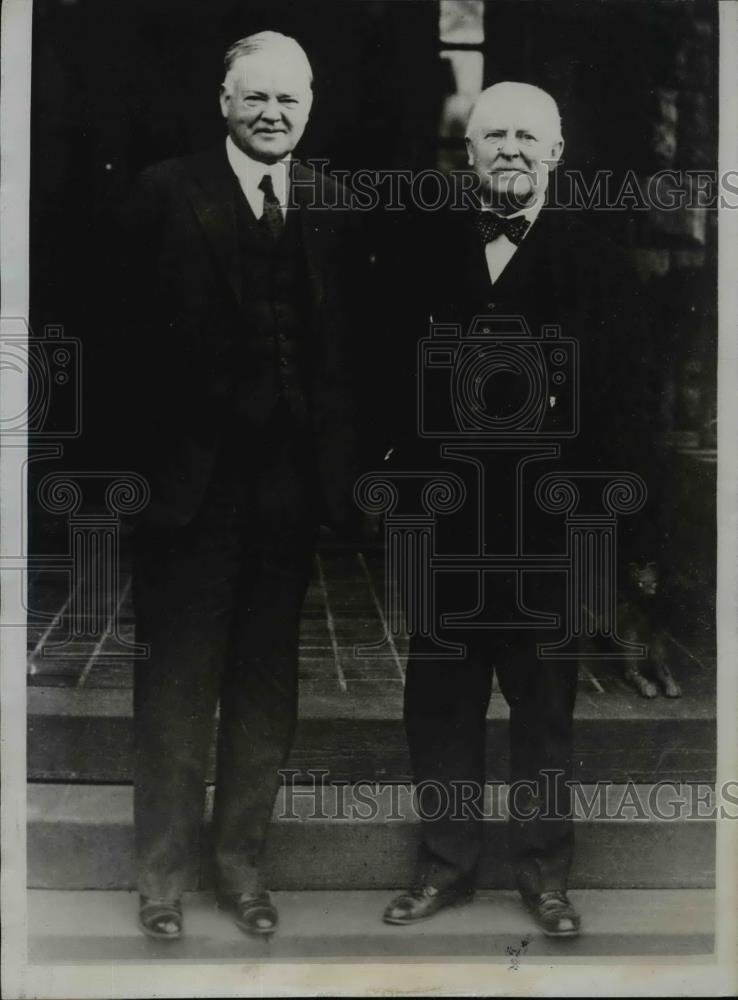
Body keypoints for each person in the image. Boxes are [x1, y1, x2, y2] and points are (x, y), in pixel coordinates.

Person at [378, 82, 659, 937]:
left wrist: (617, 534)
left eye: (527, 136)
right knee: (440, 703)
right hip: (449, 528)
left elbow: (628, 412)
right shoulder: (420, 256)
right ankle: (446, 865)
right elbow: (383, 384)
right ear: (466, 153)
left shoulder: (604, 265)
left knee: (545, 707)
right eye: (491, 133)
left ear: (556, 154)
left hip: (548, 532)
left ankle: (545, 876)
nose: (509, 147)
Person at [117, 31, 361, 940]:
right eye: (254, 98)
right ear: (223, 102)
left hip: (289, 487)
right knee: (177, 685)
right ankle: (163, 881)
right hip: (190, 488)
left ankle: (242, 871)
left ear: (309, 107)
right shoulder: (164, 192)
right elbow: (116, 343)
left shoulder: (331, 201)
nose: (272, 114)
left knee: (265, 686)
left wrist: (342, 475)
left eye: (288, 101)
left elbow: (347, 356)